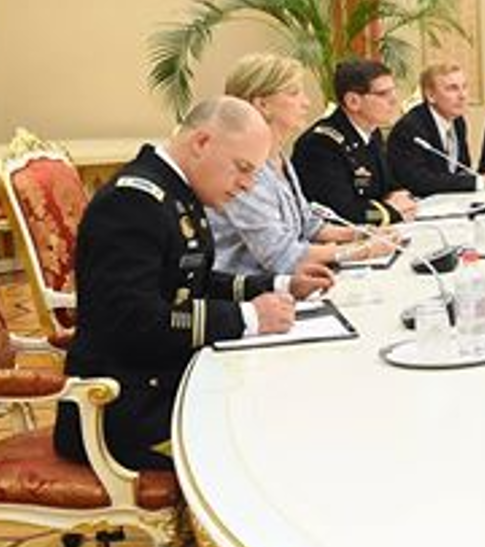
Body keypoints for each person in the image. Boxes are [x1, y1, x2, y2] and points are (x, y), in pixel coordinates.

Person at [56, 98, 334, 470]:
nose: (247, 185)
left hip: (164, 383)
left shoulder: (175, 191)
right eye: (243, 168)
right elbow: (136, 321)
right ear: (202, 143)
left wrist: (280, 284)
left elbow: (194, 281)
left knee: (290, 399)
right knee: (271, 443)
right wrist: (248, 318)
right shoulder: (132, 202)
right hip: (124, 411)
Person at [208, 54, 399, 277]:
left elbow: (308, 223)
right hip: (256, 288)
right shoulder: (244, 169)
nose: (306, 102)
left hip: (292, 280)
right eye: (294, 93)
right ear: (262, 104)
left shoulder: (277, 156)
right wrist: (361, 250)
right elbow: (280, 256)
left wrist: (361, 233)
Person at [292, 58, 418, 228]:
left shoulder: (371, 131)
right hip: (337, 237)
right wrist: (391, 212)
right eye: (383, 94)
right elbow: (343, 212)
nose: (394, 100)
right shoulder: (321, 144)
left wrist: (400, 195)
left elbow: (387, 183)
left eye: (393, 91)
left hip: (373, 231)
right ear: (353, 101)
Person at [387, 63, 485, 196]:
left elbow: (461, 169)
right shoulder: (410, 128)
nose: (462, 95)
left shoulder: (458, 122)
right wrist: (478, 182)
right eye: (452, 88)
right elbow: (420, 181)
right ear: (430, 95)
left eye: (464, 87)